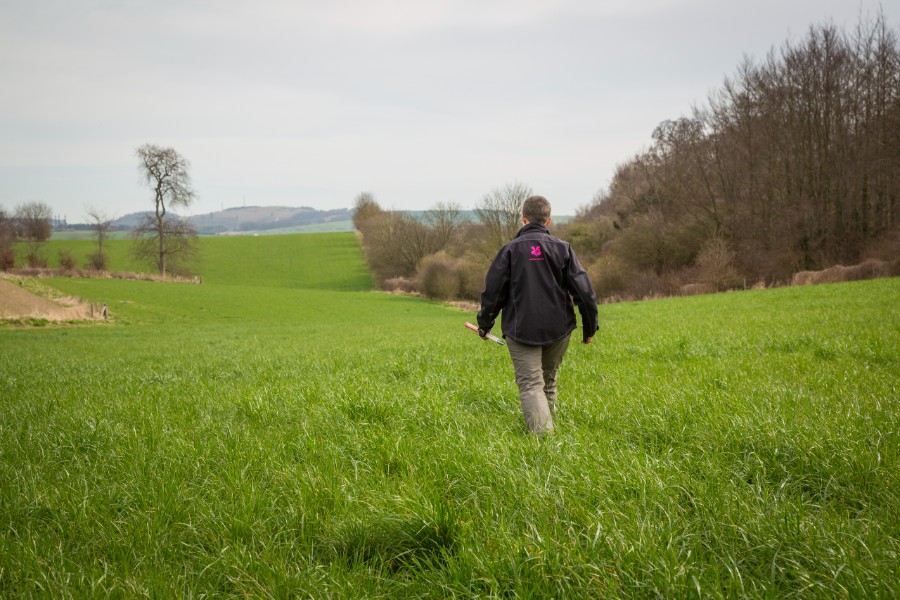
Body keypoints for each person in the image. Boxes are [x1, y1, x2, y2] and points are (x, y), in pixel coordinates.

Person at [476, 195, 599, 434]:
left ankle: (543, 441)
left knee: (531, 384)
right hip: (559, 329)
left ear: (523, 219)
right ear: (548, 220)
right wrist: (589, 328)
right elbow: (585, 292)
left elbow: (493, 292)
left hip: (521, 331)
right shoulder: (563, 249)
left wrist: (485, 324)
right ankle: (547, 429)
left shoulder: (509, 250)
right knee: (548, 380)